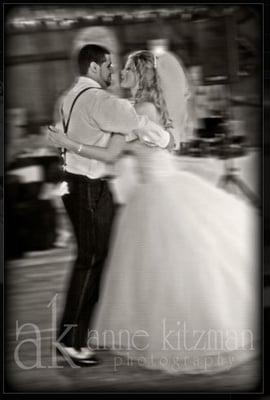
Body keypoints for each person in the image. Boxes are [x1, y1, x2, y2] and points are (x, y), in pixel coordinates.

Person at [48, 50, 260, 376]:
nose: (120, 73)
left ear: (141, 75)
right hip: (167, 185)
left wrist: (68, 142)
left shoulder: (137, 110)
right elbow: (158, 143)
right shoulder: (152, 108)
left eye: (128, 69)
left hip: (155, 194)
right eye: (116, 68)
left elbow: (112, 154)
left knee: (155, 268)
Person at [52, 45, 173, 366]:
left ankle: (73, 339)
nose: (112, 72)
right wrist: (164, 139)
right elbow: (138, 129)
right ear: (94, 67)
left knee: (90, 260)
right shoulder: (101, 101)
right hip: (90, 189)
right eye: (108, 66)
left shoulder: (70, 97)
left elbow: (124, 134)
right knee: (90, 262)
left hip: (77, 186)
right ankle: (70, 342)